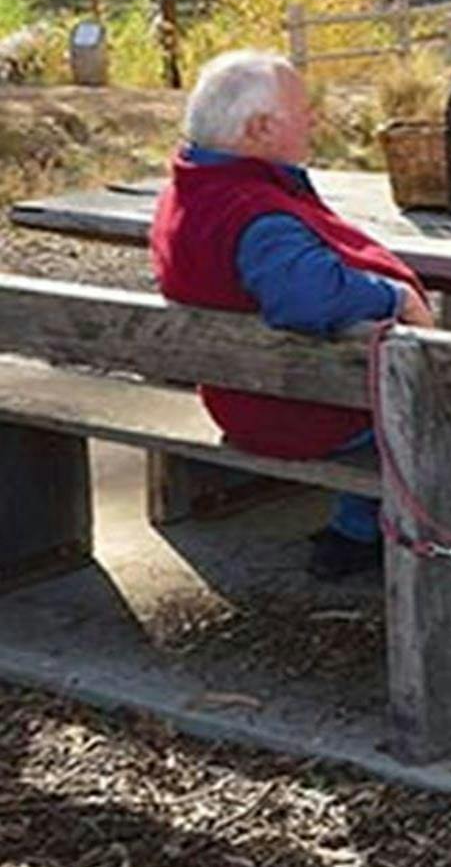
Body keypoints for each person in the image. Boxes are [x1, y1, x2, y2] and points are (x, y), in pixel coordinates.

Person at [149, 49, 434, 581]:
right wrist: (399, 298)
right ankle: (411, 538)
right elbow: (308, 298)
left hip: (240, 396)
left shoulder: (189, 191)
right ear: (258, 129)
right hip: (297, 412)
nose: (314, 120)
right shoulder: (254, 216)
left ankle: (356, 529)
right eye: (303, 111)